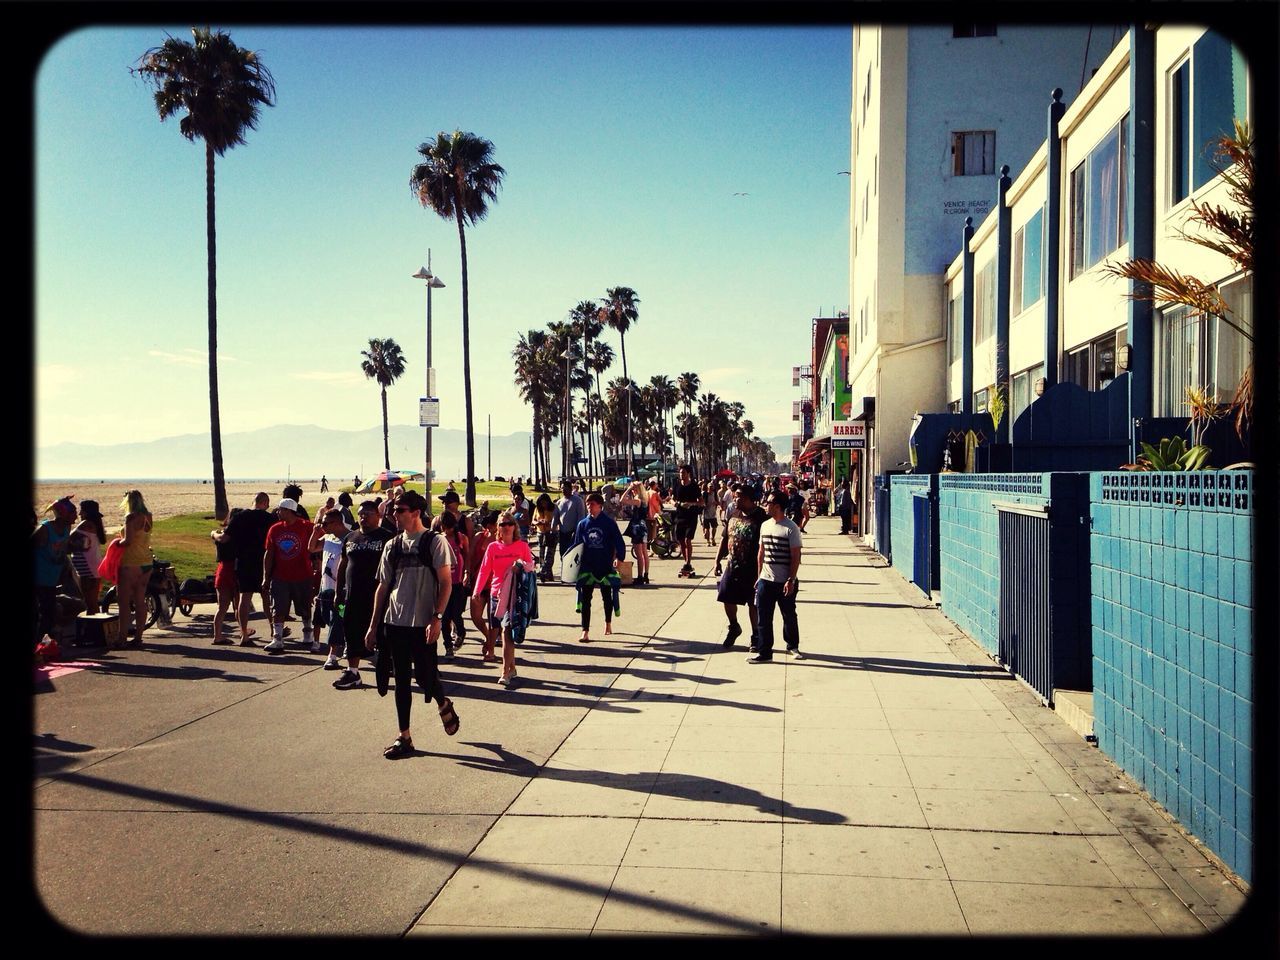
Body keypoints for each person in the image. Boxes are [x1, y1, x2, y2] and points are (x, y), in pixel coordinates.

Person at [363, 489, 458, 759]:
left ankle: (443, 702)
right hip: (395, 621)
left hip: (424, 622)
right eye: (393, 509)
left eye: (400, 509)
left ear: (415, 512)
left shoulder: (434, 541)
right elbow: (382, 587)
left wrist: (437, 618)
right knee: (401, 680)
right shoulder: (392, 546)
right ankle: (404, 737)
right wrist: (373, 626)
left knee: (426, 676)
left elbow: (446, 583)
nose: (394, 513)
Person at [331, 500, 393, 690]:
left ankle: (387, 664)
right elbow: (343, 564)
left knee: (383, 634)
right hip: (352, 595)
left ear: (378, 516)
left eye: (368, 513)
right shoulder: (351, 538)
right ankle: (353, 672)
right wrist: (338, 591)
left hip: (379, 597)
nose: (363, 517)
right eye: (361, 514)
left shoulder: (387, 538)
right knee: (352, 632)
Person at [472, 508, 534, 686]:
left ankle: (505, 671)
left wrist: (520, 565)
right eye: (502, 524)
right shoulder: (493, 547)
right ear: (497, 528)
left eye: (509, 524)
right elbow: (485, 570)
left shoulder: (522, 547)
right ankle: (512, 667)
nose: (506, 527)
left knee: (507, 633)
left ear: (514, 527)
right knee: (500, 630)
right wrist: (477, 591)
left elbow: (531, 566)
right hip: (496, 594)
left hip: (515, 597)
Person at [750, 491, 804, 663]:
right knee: (764, 617)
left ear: (778, 506)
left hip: (784, 581)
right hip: (766, 580)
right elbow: (761, 552)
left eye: (769, 502)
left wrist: (791, 579)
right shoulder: (765, 525)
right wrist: (759, 577)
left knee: (788, 614)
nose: (766, 504)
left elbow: (796, 556)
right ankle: (764, 652)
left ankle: (792, 645)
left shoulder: (791, 528)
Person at [713, 484, 767, 650]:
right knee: (726, 597)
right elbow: (724, 538)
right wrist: (717, 561)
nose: (735, 499)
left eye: (739, 497)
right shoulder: (733, 514)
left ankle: (756, 635)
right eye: (735, 496)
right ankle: (734, 626)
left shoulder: (761, 518)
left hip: (753, 568)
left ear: (750, 500)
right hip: (732, 565)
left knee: (753, 604)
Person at [262, 498, 317, 654]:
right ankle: (277, 639)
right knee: (278, 608)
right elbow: (269, 553)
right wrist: (266, 576)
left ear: (288, 511)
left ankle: (308, 634)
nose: (278, 512)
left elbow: (320, 540)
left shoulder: (306, 526)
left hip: (303, 576)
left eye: (280, 510)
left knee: (305, 607)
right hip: (280, 577)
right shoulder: (275, 529)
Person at [571, 491, 626, 643]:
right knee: (586, 598)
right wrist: (572, 565)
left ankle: (608, 623)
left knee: (606, 597)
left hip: (604, 564)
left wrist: (619, 558)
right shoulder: (582, 524)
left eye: (592, 504)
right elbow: (576, 545)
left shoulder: (609, 523)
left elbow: (618, 542)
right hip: (587, 566)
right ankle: (585, 631)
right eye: (587, 504)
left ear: (600, 505)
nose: (589, 506)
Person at [226, 492, 277, 647]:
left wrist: (214, 535)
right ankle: (274, 631)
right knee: (266, 598)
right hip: (263, 562)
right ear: (265, 502)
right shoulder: (270, 519)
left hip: (243, 561)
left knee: (244, 598)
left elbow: (227, 537)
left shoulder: (240, 517)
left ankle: (244, 634)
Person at [310, 508, 350, 669]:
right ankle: (346, 642)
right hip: (325, 588)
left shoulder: (349, 538)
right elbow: (312, 548)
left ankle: (332, 655)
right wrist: (315, 532)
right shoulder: (327, 538)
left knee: (337, 620)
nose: (323, 525)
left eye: (326, 523)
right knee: (326, 618)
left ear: (337, 523)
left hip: (341, 590)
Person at [33, 497, 77, 642]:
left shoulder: (66, 528)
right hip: (38, 578)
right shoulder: (45, 529)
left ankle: (44, 643)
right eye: (73, 513)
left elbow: (63, 548)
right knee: (44, 612)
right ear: (63, 514)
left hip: (51, 578)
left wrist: (76, 548)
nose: (76, 516)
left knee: (49, 612)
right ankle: (40, 644)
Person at [116, 490, 154, 646]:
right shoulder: (148, 516)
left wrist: (116, 543)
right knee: (140, 600)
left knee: (123, 603)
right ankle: (138, 637)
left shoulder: (130, 517)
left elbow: (128, 541)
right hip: (146, 562)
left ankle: (122, 638)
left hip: (131, 562)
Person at [434, 509, 470, 657]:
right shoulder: (438, 539)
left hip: (457, 583)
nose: (446, 530)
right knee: (444, 616)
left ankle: (461, 632)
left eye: (449, 527)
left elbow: (467, 556)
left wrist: (467, 573)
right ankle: (448, 646)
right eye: (443, 527)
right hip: (442, 583)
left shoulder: (461, 538)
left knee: (456, 613)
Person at [210, 508, 244, 645]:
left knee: (222, 607)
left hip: (223, 570)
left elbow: (217, 537)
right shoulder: (241, 536)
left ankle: (217, 635)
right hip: (236, 570)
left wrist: (213, 533)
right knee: (238, 606)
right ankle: (243, 631)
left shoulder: (222, 535)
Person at [68, 499, 106, 615]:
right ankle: (96, 627)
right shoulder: (95, 525)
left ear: (87, 512)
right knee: (92, 601)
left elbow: (69, 537)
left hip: (87, 568)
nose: (79, 514)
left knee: (90, 602)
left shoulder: (85, 524)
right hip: (92, 566)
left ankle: (93, 629)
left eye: (81, 511)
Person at [670, 465, 702, 577]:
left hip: (691, 516)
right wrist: (676, 503)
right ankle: (686, 562)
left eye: (683, 472)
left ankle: (688, 562)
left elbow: (702, 502)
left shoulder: (694, 486)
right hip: (680, 516)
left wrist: (691, 504)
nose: (681, 475)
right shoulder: (677, 485)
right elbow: (672, 499)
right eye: (680, 472)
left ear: (688, 474)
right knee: (681, 540)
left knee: (688, 539)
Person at [618, 480, 650, 586]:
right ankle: (645, 574)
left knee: (639, 554)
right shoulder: (645, 499)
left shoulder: (638, 500)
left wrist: (628, 489)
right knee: (644, 553)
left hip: (637, 528)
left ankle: (640, 576)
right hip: (644, 526)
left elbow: (622, 500)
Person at [550, 479, 586, 564]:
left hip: (574, 533)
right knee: (563, 553)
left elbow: (581, 516)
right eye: (562, 488)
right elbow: (555, 518)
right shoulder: (559, 502)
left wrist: (577, 531)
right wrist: (552, 530)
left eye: (565, 489)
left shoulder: (577, 501)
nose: (563, 490)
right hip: (563, 533)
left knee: (574, 554)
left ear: (570, 489)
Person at [531, 492, 556, 582]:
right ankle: (546, 574)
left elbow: (557, 520)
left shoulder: (554, 508)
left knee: (549, 554)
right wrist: (537, 522)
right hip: (540, 532)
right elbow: (533, 520)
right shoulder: (537, 509)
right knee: (541, 554)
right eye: (541, 503)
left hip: (551, 533)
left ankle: (543, 571)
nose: (543, 505)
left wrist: (549, 523)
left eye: (545, 502)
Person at [701, 480, 719, 546]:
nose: (711, 488)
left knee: (714, 527)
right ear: (707, 487)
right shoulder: (705, 494)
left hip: (713, 514)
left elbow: (718, 502)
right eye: (710, 487)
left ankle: (713, 538)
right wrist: (705, 505)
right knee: (707, 529)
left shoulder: (715, 494)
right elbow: (701, 503)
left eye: (712, 487)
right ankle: (708, 541)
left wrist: (716, 503)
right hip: (706, 514)